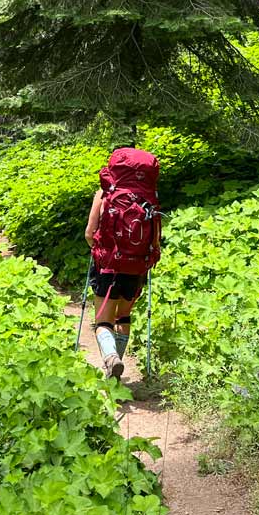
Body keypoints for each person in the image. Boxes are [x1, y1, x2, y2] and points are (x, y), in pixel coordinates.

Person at [84, 146, 161, 379]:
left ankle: (110, 358)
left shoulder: (105, 193)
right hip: (136, 266)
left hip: (108, 264)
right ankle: (115, 367)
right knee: (123, 316)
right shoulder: (149, 197)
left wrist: (98, 249)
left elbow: (90, 232)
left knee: (103, 322)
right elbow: (155, 240)